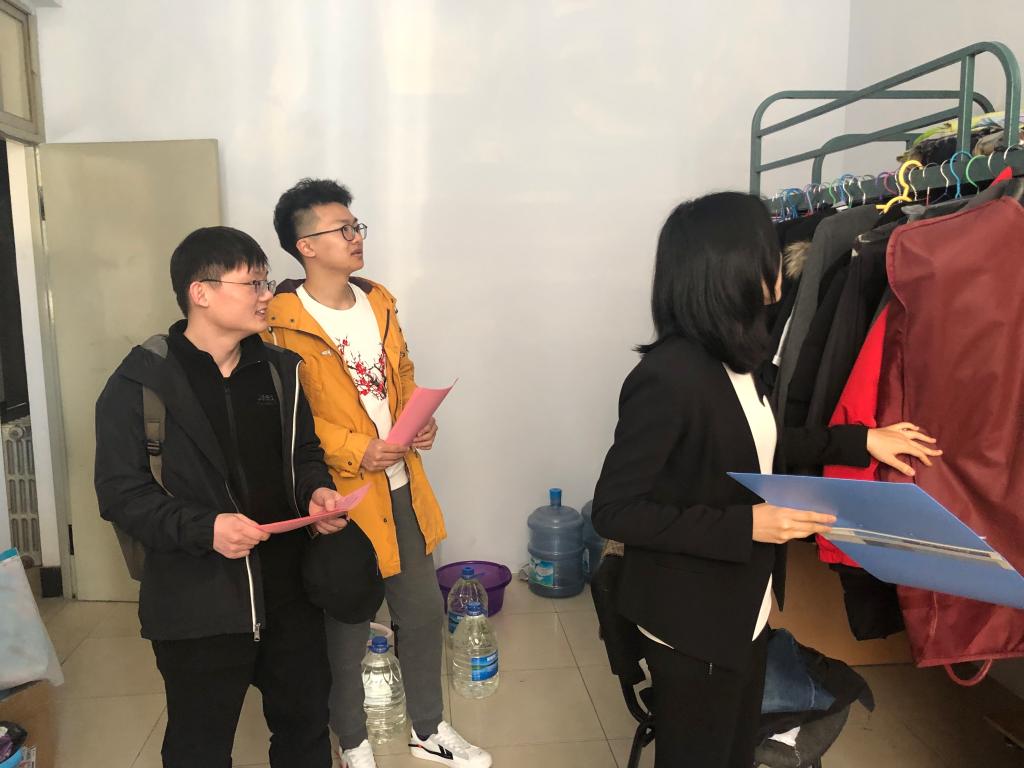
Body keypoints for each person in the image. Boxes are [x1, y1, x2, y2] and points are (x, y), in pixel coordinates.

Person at [591, 192, 941, 768]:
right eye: (768, 252)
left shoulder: (739, 358)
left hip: (743, 604)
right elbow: (615, 509)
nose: (781, 263)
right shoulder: (667, 377)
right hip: (690, 619)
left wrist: (861, 441)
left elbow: (763, 442)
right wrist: (745, 525)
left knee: (735, 752)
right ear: (729, 267)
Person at [95, 226, 348, 768]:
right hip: (197, 602)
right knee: (200, 746)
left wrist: (316, 493)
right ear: (201, 292)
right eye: (253, 283)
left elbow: (303, 454)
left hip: (290, 594)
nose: (266, 295)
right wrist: (205, 528)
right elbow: (120, 492)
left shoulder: (279, 372)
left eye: (266, 282)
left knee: (306, 731)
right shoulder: (141, 382)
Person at [265, 178, 491, 768]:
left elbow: (402, 374)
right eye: (341, 229)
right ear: (305, 245)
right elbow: (286, 415)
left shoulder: (379, 300)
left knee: (421, 613)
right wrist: (354, 450)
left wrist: (419, 419)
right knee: (347, 625)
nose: (355, 236)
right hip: (339, 498)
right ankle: (352, 740)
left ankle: (429, 729)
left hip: (402, 485)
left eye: (356, 225)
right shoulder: (280, 319)